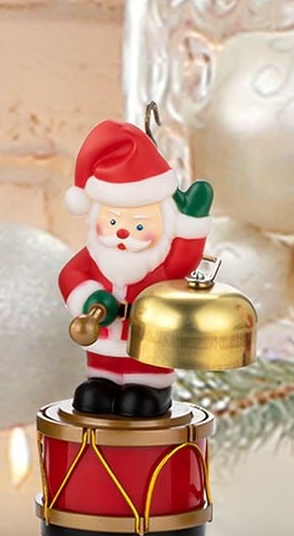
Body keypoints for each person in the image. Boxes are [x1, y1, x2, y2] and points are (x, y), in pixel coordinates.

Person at [57, 119, 212, 420]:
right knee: (96, 386)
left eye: (139, 225)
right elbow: (70, 276)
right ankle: (102, 385)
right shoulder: (94, 256)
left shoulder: (160, 265)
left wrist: (193, 224)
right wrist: (89, 298)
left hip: (148, 342)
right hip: (101, 339)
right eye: (113, 222)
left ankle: (151, 390)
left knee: (140, 391)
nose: (123, 233)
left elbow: (185, 262)